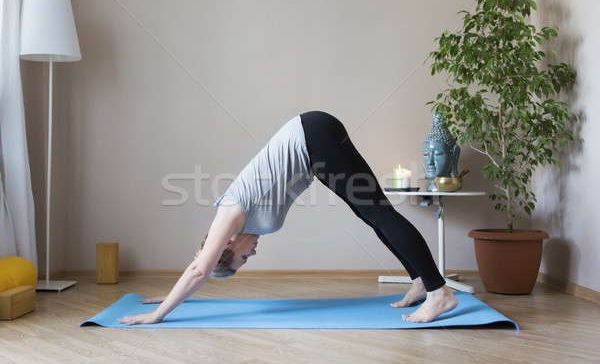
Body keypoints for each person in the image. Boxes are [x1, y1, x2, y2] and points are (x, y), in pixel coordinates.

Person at [118, 111, 457, 326]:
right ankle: (420, 279)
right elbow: (203, 268)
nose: (252, 256)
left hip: (313, 136)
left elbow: (199, 268)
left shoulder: (230, 214)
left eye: (241, 259)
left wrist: (157, 315)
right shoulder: (236, 229)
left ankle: (438, 291)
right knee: (373, 214)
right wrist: (173, 293)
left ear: (229, 244)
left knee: (378, 212)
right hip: (314, 145)